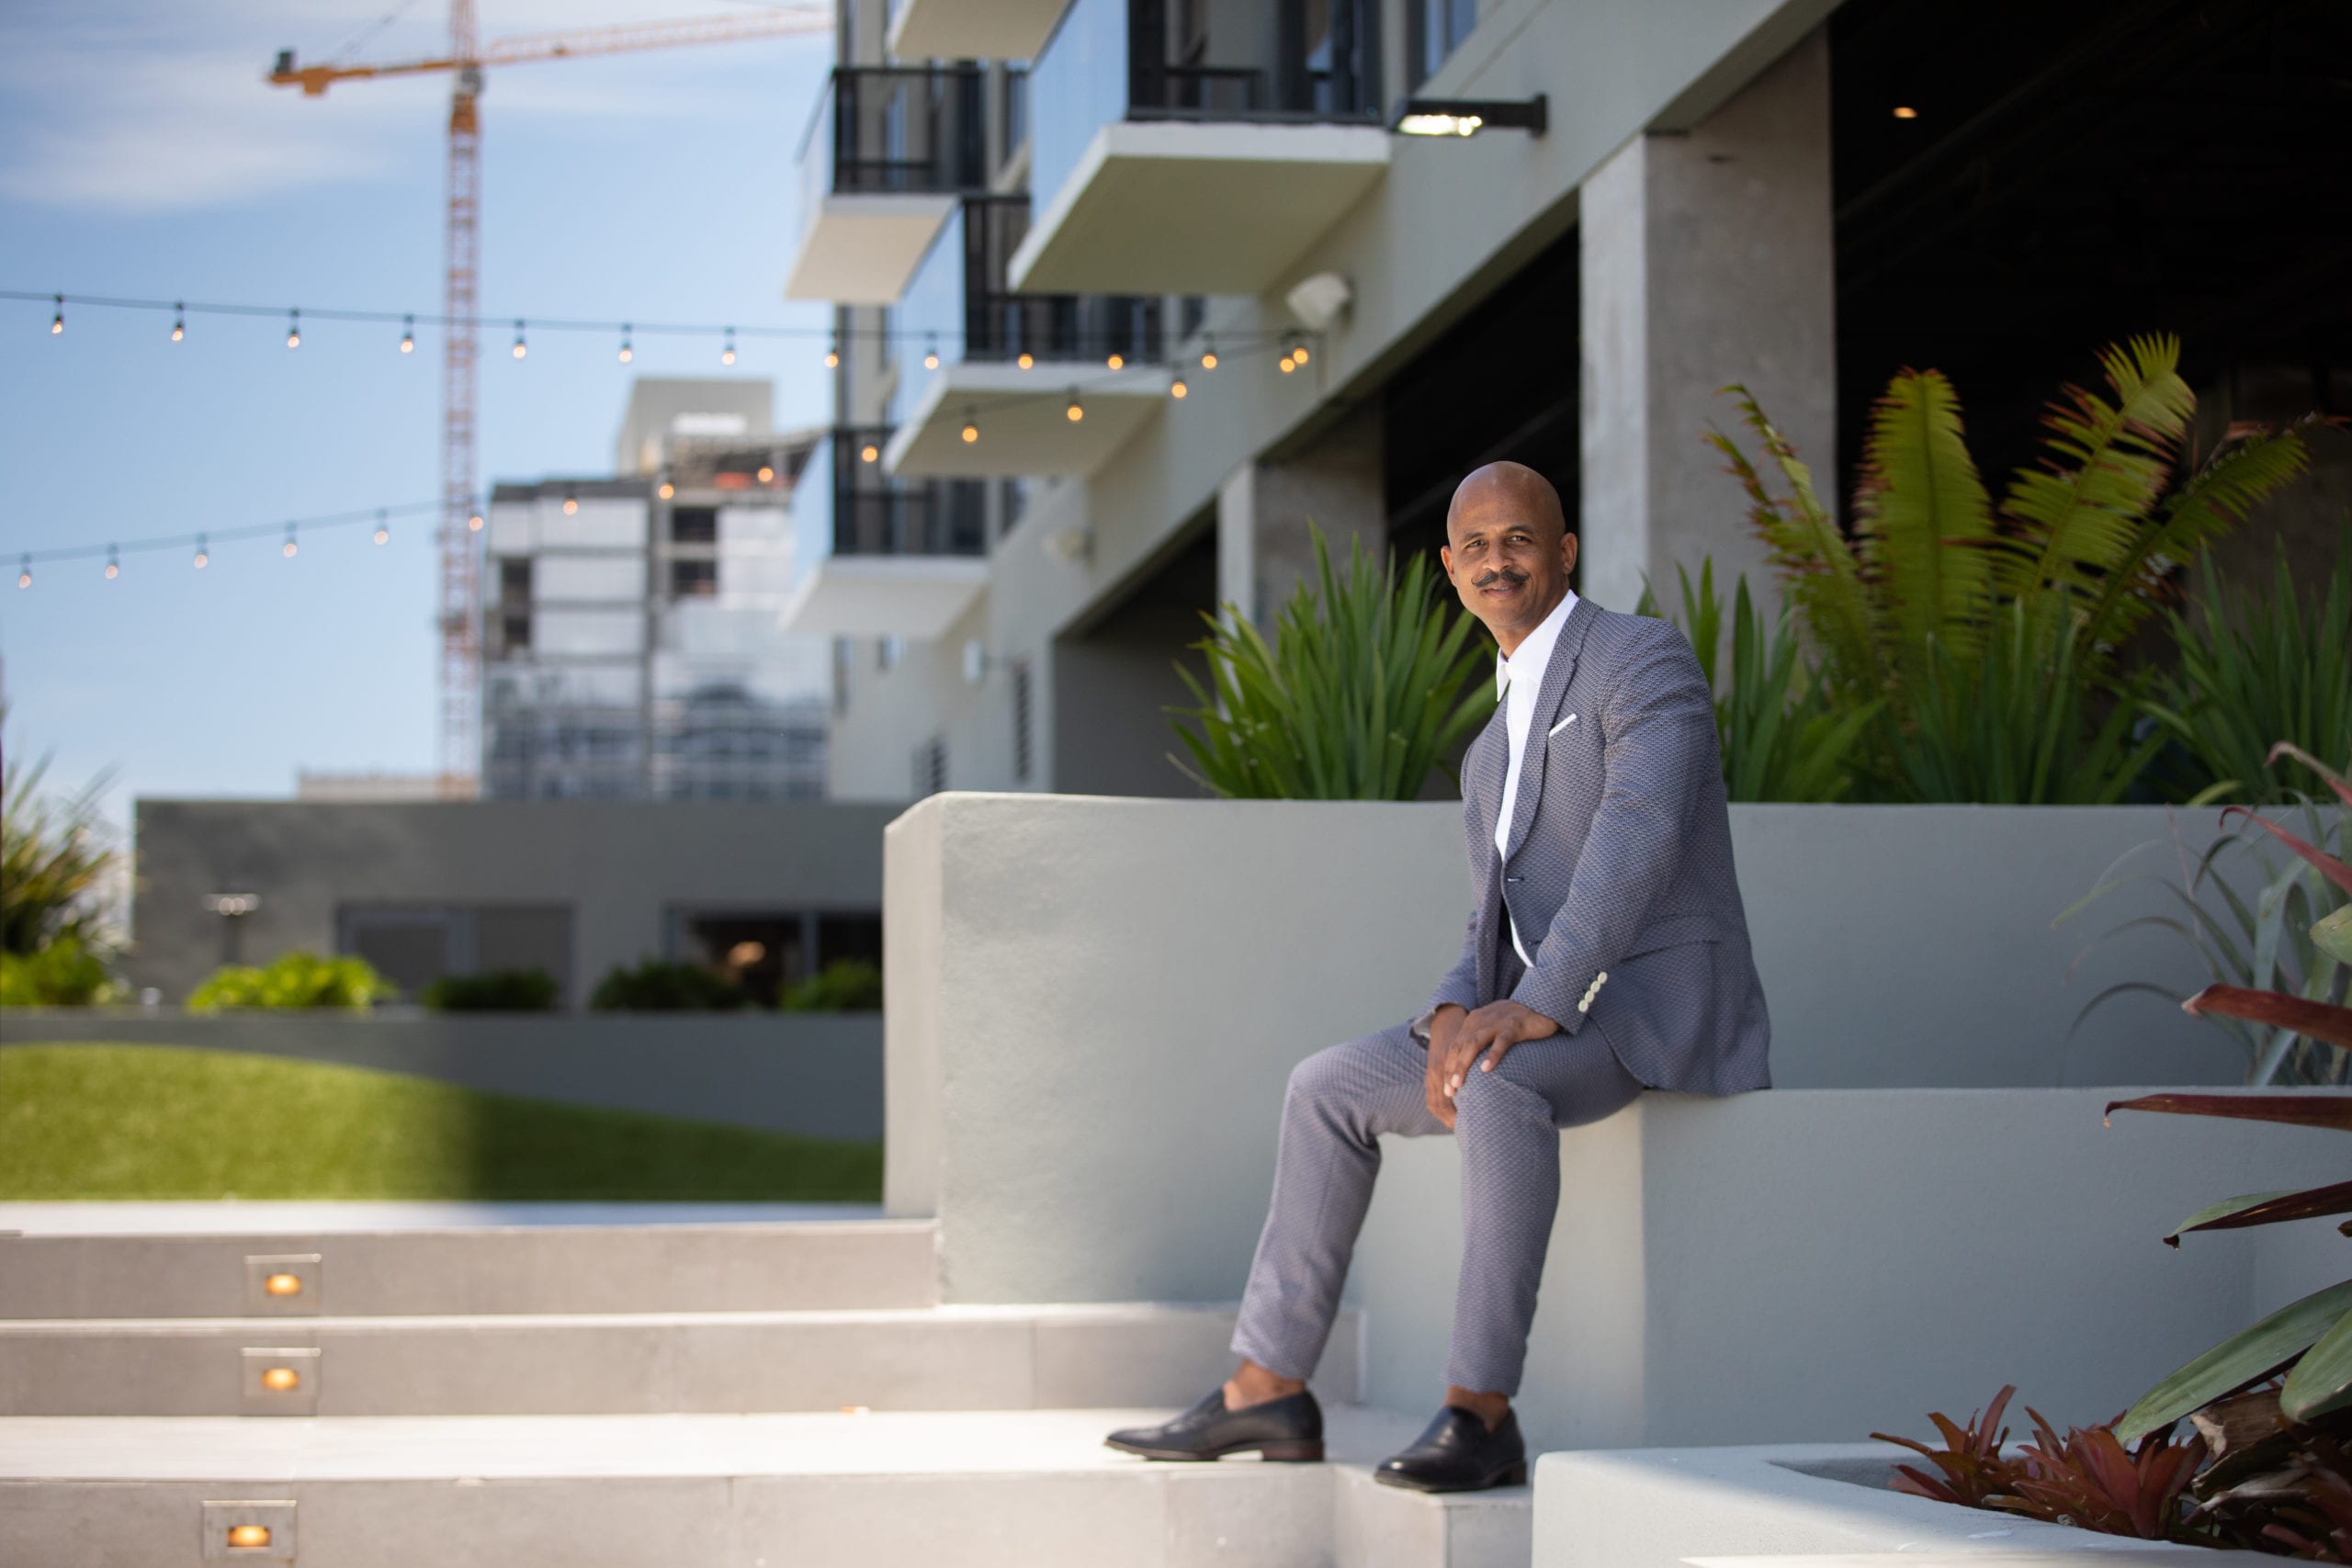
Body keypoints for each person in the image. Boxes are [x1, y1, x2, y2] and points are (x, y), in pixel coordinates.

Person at [1104, 461, 1771, 1492]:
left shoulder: (1639, 658)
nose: (1494, 560)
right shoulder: (1488, 749)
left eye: (1517, 539)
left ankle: (1479, 1413)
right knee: (1325, 1085)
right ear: (1450, 569)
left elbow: (1636, 837)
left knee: (1500, 1085)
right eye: (1473, 546)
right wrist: (1456, 1007)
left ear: (1564, 553)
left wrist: (1536, 1005)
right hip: (1542, 1005)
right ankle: (1266, 1390)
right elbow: (1489, 916)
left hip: (1646, 1008)